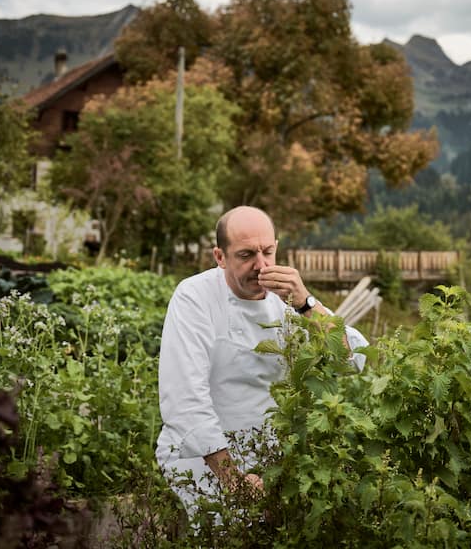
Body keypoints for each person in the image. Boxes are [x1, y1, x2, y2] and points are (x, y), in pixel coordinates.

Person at [155, 206, 368, 510]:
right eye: (246, 255)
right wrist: (233, 479)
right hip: (202, 462)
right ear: (220, 257)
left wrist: (307, 305)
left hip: (270, 463)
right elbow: (185, 400)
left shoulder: (289, 301)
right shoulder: (194, 298)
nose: (261, 264)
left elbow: (351, 360)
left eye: (268, 251)